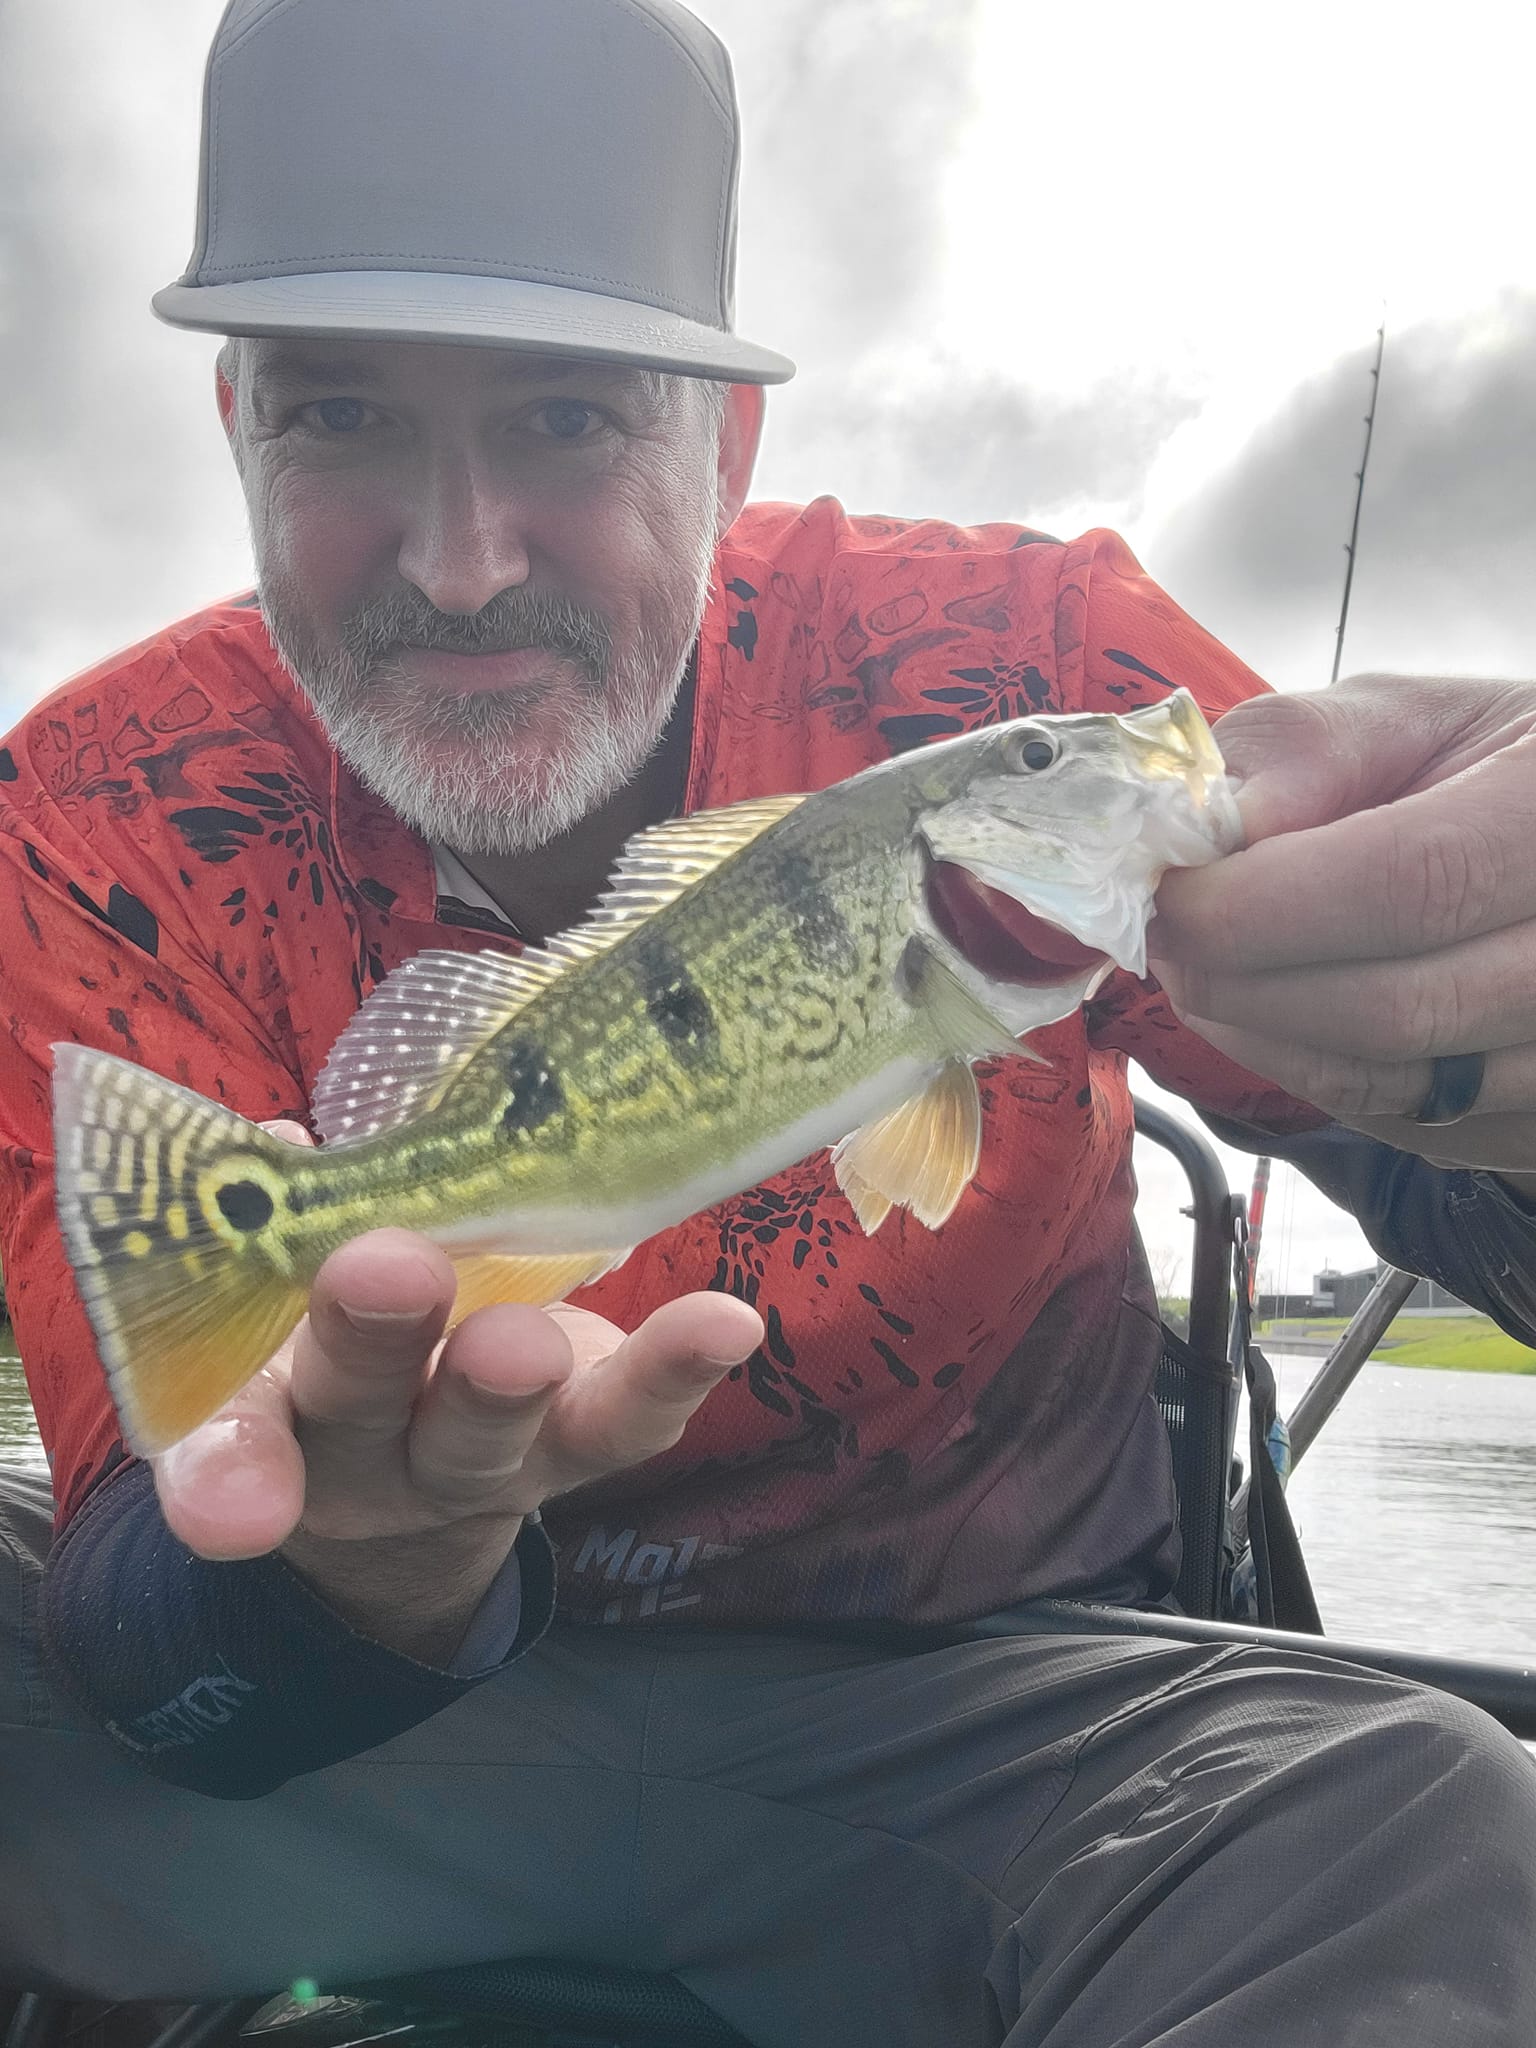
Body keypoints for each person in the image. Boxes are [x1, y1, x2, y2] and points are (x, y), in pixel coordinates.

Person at [1, 0, 1533, 2039]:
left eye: (567, 417)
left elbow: (1451, 1193)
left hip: (1013, 1724)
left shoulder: (1031, 674)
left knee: (1427, 1815)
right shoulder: (93, 809)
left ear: (724, 438)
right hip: (395, 1756)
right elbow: (150, 1622)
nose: (458, 570)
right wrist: (358, 1563)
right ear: (235, 426)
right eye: (341, 416)